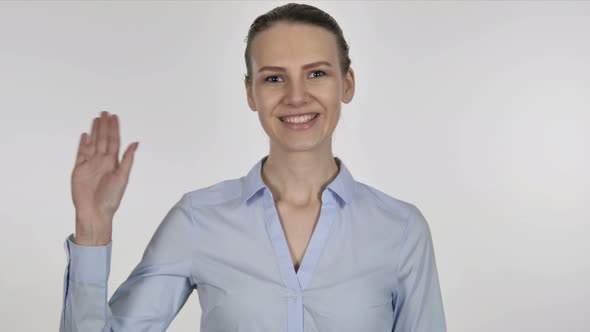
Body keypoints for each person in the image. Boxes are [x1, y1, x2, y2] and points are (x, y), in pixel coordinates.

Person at [59, 3, 447, 332]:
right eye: (274, 78)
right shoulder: (198, 219)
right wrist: (92, 229)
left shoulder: (401, 230)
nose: (297, 96)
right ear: (251, 93)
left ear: (347, 84)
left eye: (317, 73)